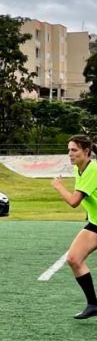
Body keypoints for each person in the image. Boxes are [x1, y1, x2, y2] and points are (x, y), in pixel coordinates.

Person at [53, 135, 97, 320]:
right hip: (95, 223)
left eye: (74, 150)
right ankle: (93, 304)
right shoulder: (79, 169)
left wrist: (58, 186)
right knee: (73, 258)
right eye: (69, 150)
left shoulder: (93, 169)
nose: (70, 154)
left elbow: (73, 201)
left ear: (86, 152)